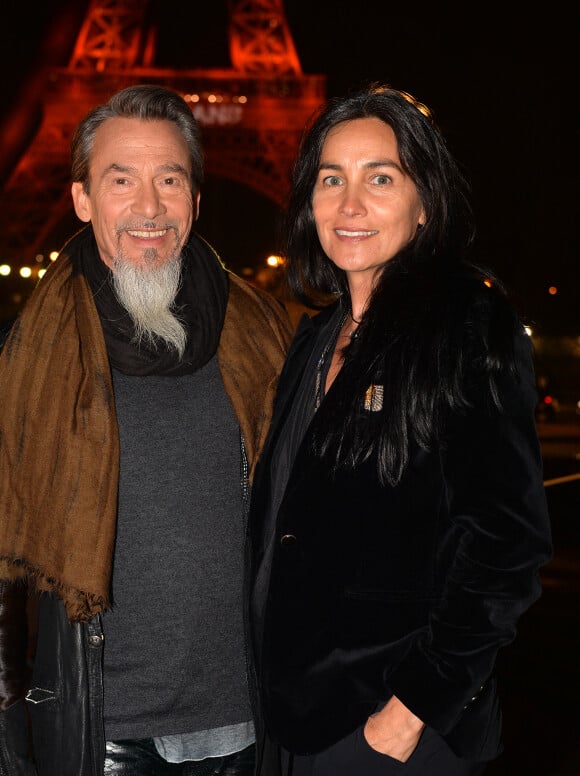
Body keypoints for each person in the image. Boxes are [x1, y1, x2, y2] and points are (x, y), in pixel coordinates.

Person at [246, 84, 552, 776]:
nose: (349, 204)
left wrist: (412, 708)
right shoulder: (316, 339)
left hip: (391, 727)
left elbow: (507, 544)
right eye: (332, 179)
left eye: (380, 178)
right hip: (298, 716)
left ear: (424, 205)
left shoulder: (463, 326)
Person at [0, 83, 294, 776]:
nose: (149, 207)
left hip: (245, 722)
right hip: (97, 734)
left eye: (169, 180)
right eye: (121, 179)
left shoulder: (269, 338)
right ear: (81, 199)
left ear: (194, 200)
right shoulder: (23, 356)